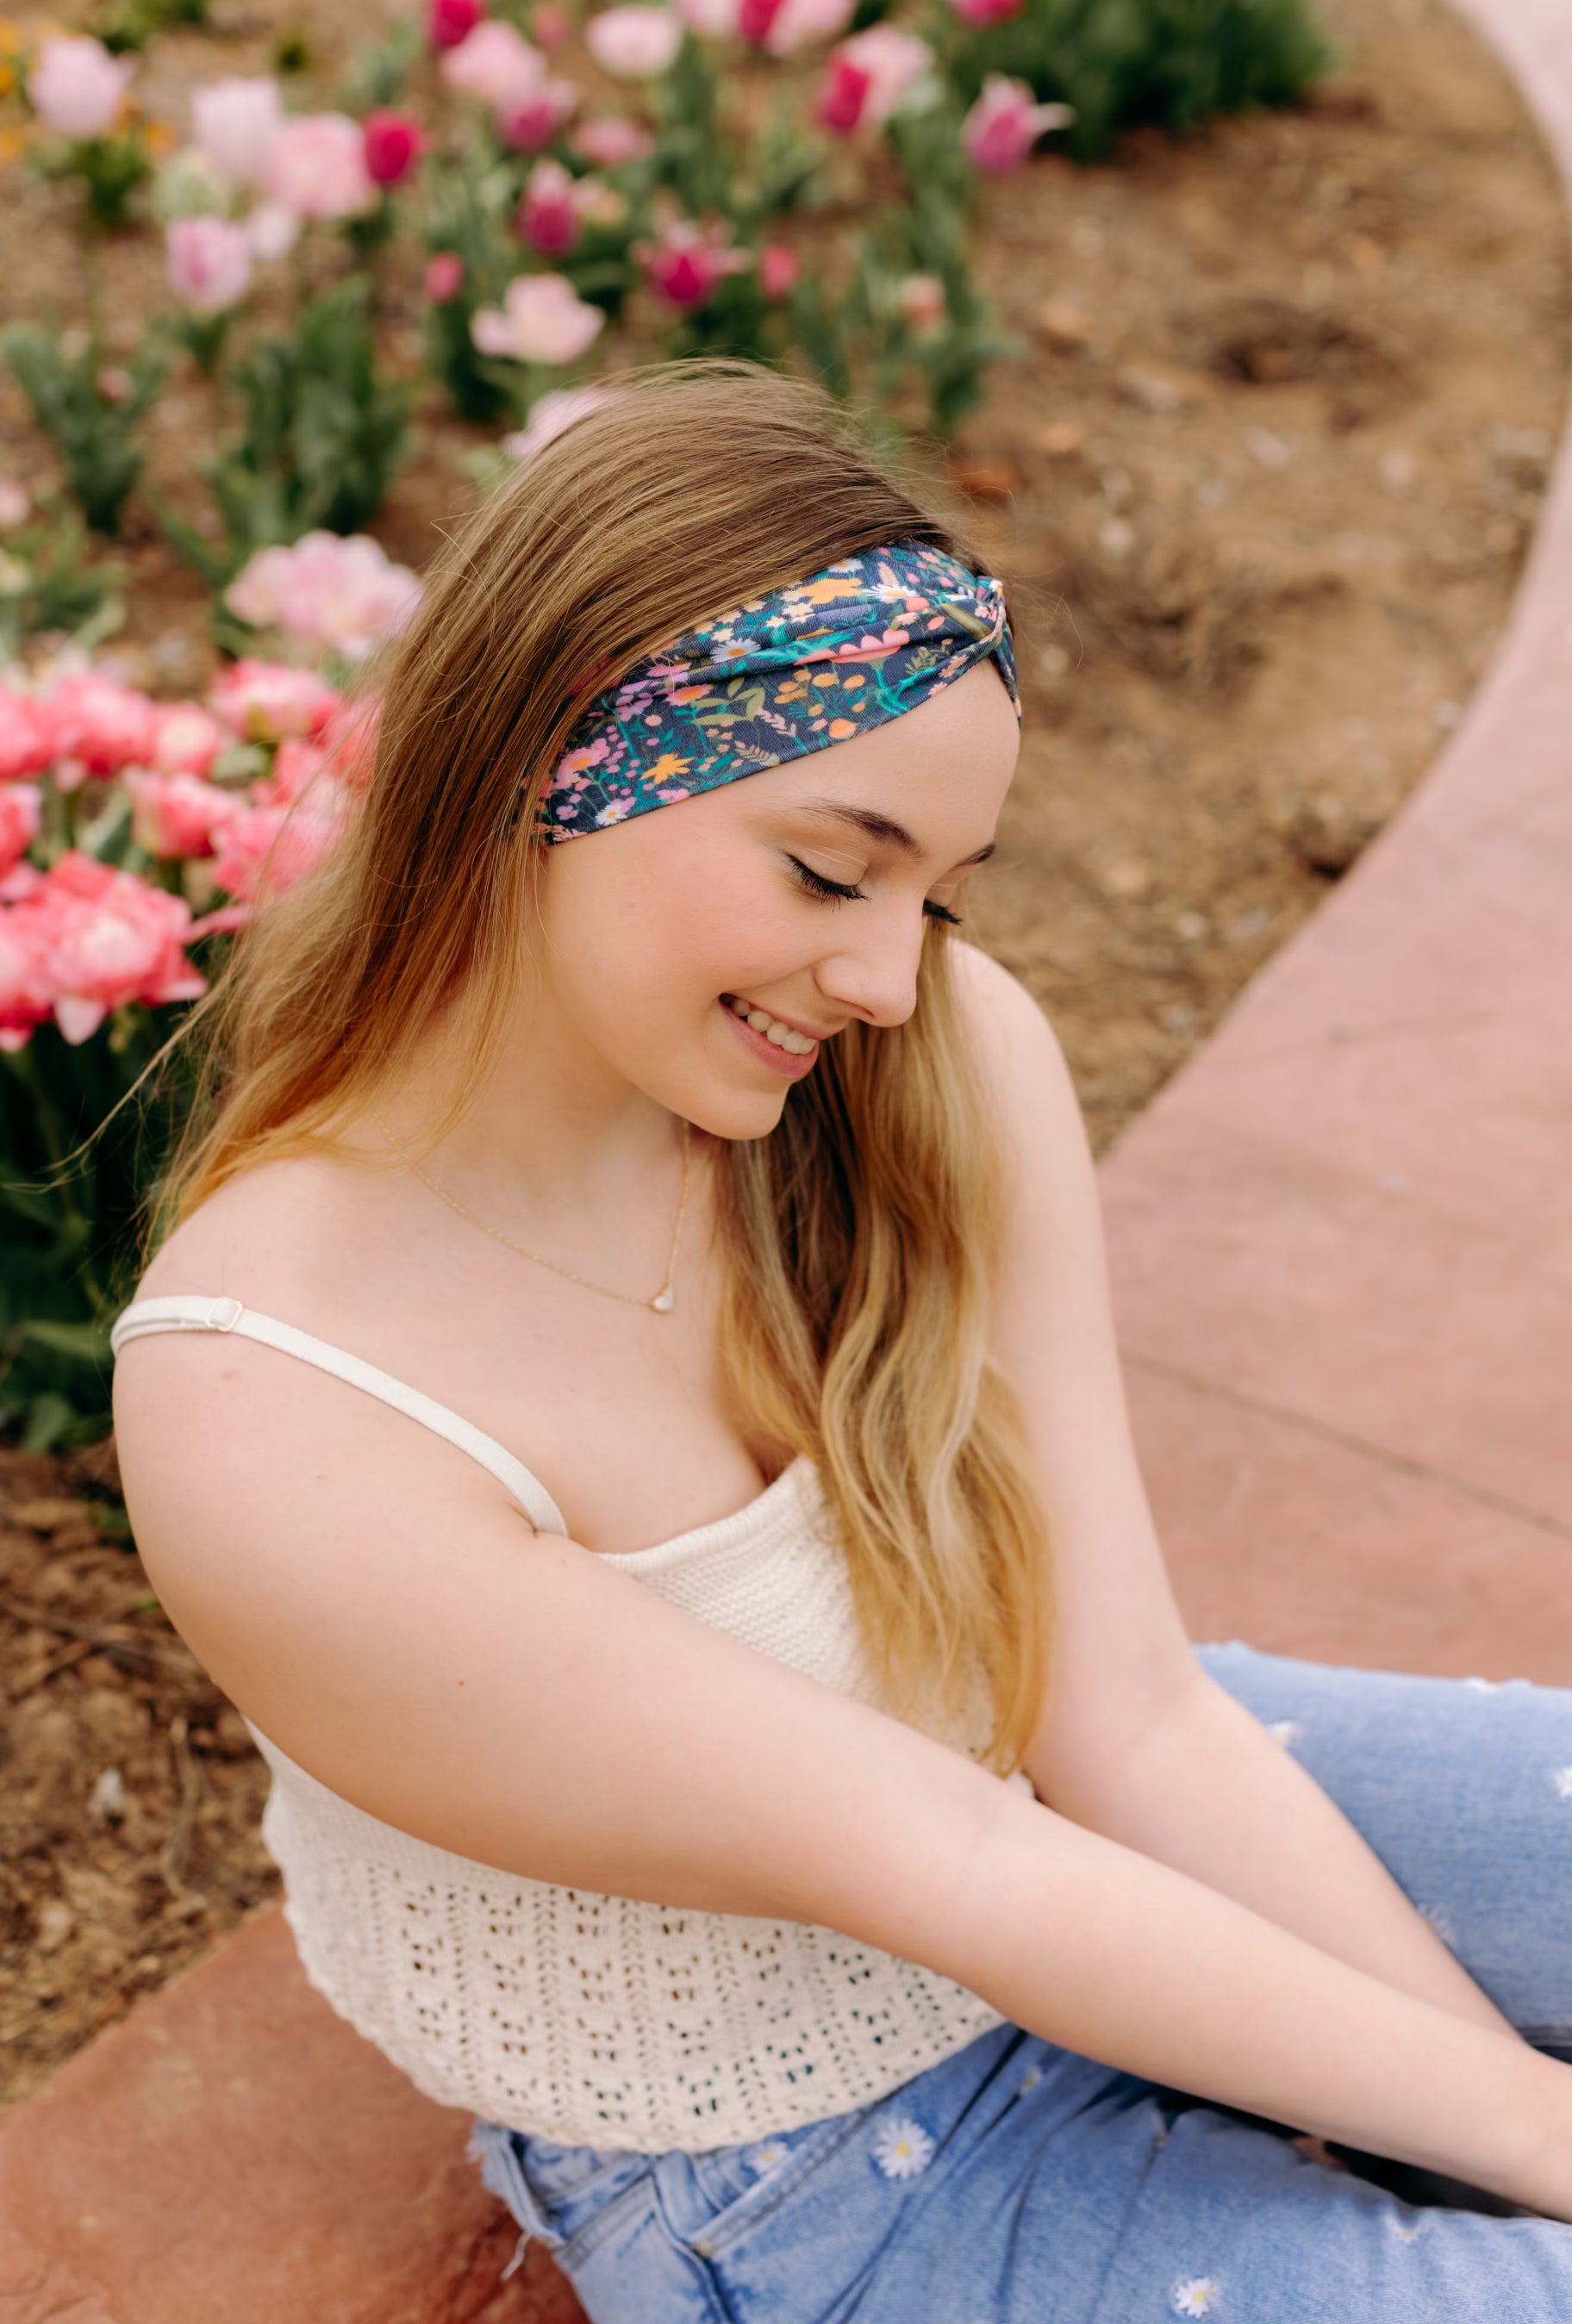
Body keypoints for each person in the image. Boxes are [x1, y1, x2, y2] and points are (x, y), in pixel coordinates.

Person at [109, 360, 1572, 2323]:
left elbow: (1123, 1720)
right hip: (801, 2170)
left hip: (1069, 1828)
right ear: (551, 755)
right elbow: (953, 1866)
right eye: (828, 867)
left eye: (940, 898)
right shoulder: (273, 1403)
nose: (890, 976)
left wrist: (1501, 2133)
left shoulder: (917, 1070)